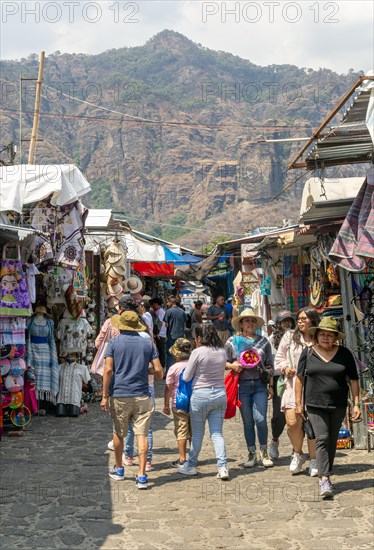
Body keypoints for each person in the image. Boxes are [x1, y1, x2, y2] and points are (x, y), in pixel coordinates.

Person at [295, 317, 361, 499]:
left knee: (331, 440)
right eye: (322, 334)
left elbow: (353, 380)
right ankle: (324, 478)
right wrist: (298, 403)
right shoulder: (307, 353)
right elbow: (299, 379)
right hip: (315, 404)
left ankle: (326, 470)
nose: (325, 338)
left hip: (338, 404)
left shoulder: (345, 354)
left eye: (330, 335)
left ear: (335, 338)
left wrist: (356, 403)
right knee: (322, 438)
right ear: (316, 336)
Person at [100, 310, 163, 490]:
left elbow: (108, 370)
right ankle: (142, 475)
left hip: (119, 394)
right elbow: (159, 372)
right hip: (142, 394)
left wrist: (104, 396)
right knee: (142, 434)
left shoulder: (113, 343)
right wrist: (147, 371)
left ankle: (119, 469)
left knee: (119, 432)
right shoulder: (147, 344)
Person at [178, 324, 229, 480]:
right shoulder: (222, 352)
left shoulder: (197, 352)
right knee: (217, 433)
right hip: (220, 394)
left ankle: (191, 465)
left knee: (198, 433)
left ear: (199, 338)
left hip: (200, 395)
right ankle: (222, 467)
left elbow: (186, 377)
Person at [225, 308, 274, 468]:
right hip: (242, 386)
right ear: (241, 323)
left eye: (253, 321)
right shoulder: (232, 341)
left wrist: (271, 386)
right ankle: (251, 453)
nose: (250, 323)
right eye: (247, 321)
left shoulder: (263, 342)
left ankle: (264, 451)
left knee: (260, 419)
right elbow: (224, 362)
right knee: (247, 422)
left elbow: (270, 365)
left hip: (260, 384)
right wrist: (233, 365)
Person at [275, 306, 319, 476]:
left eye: (304, 318)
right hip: (293, 385)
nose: (300, 321)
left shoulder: (319, 337)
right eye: (299, 319)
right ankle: (298, 453)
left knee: (313, 425)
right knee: (293, 423)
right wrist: (286, 368)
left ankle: (314, 459)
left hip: (315, 386)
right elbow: (279, 358)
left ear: (313, 320)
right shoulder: (289, 337)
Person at [268, 310, 295, 460]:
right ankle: (275, 439)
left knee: (296, 415)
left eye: (289, 321)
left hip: (296, 379)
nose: (287, 324)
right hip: (280, 380)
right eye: (284, 322)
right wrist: (270, 385)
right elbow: (271, 365)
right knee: (279, 415)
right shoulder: (271, 340)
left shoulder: (297, 337)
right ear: (278, 324)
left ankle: (295, 448)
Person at [163, 338, 192, 467]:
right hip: (194, 401)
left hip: (178, 402)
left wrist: (165, 405)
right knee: (193, 430)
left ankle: (182, 458)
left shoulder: (173, 368)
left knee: (181, 430)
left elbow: (168, 388)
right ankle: (193, 457)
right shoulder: (193, 365)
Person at [164, 296, 187, 372]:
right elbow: (184, 322)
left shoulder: (169, 311)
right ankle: (179, 370)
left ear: (171, 302)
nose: (167, 304)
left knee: (170, 354)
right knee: (180, 353)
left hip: (171, 335)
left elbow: (166, 325)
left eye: (168, 302)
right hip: (180, 335)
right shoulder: (182, 311)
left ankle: (169, 371)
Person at [149, 298, 167, 371]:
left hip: (160, 335)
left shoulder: (160, 312)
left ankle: (163, 367)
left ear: (156, 304)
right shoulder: (158, 311)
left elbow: (160, 323)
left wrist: (157, 333)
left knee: (161, 351)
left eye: (153, 304)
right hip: (159, 334)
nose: (152, 305)